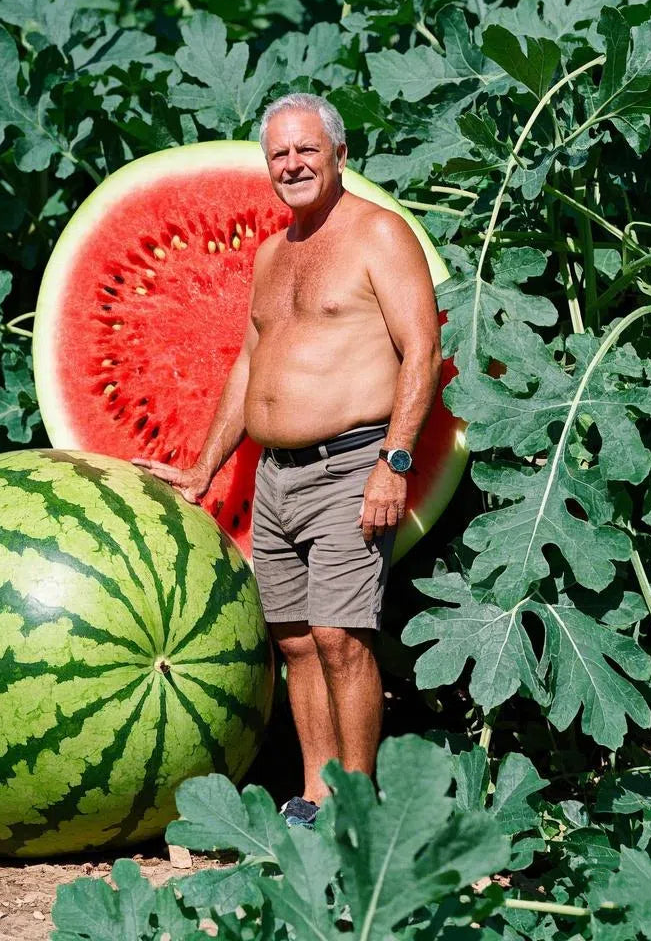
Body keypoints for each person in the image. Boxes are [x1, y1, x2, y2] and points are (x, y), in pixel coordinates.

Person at [134, 92, 441, 827]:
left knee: (342, 638)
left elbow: (423, 353)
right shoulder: (274, 253)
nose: (293, 163)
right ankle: (315, 796)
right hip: (277, 478)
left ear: (340, 155)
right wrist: (208, 465)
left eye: (308, 149)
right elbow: (250, 364)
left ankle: (358, 808)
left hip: (351, 464)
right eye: (279, 153)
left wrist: (393, 463)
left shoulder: (379, 235)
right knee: (297, 642)